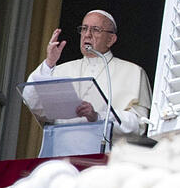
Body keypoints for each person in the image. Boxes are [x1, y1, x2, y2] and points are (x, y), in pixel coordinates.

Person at [25, 9, 152, 155]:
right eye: (84, 29)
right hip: (61, 156)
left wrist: (98, 116)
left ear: (111, 39)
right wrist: (49, 62)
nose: (87, 34)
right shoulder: (60, 70)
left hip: (107, 160)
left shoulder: (133, 72)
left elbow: (139, 125)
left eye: (95, 30)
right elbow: (32, 101)